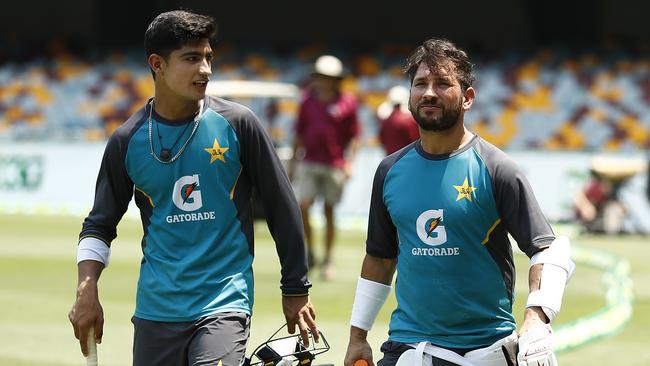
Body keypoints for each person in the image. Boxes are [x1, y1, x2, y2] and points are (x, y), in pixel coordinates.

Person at [67, 10, 318, 366]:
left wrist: (295, 288)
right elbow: (99, 224)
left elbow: (282, 206)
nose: (205, 69)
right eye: (191, 58)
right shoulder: (127, 140)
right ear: (158, 64)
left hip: (224, 304)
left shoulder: (239, 124)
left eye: (208, 57)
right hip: (156, 310)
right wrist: (86, 288)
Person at [344, 38, 574, 366]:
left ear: (467, 98)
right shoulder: (389, 171)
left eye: (442, 84)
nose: (429, 93)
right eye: (420, 84)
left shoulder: (497, 169)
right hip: (409, 348)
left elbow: (548, 251)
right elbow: (380, 259)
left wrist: (537, 319)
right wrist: (358, 337)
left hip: (485, 352)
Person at [290, 54, 360, 280]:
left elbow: (354, 136)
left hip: (334, 164)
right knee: (304, 206)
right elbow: (299, 133)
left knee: (330, 212)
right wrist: (293, 161)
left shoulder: (348, 102)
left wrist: (349, 162)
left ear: (336, 79)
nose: (323, 81)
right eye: (320, 76)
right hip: (309, 162)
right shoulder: (306, 101)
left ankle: (328, 258)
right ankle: (310, 252)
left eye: (328, 77)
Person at [377, 85, 420, 155]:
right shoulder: (409, 121)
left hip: (391, 160)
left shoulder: (386, 121)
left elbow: (382, 139)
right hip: (407, 160)